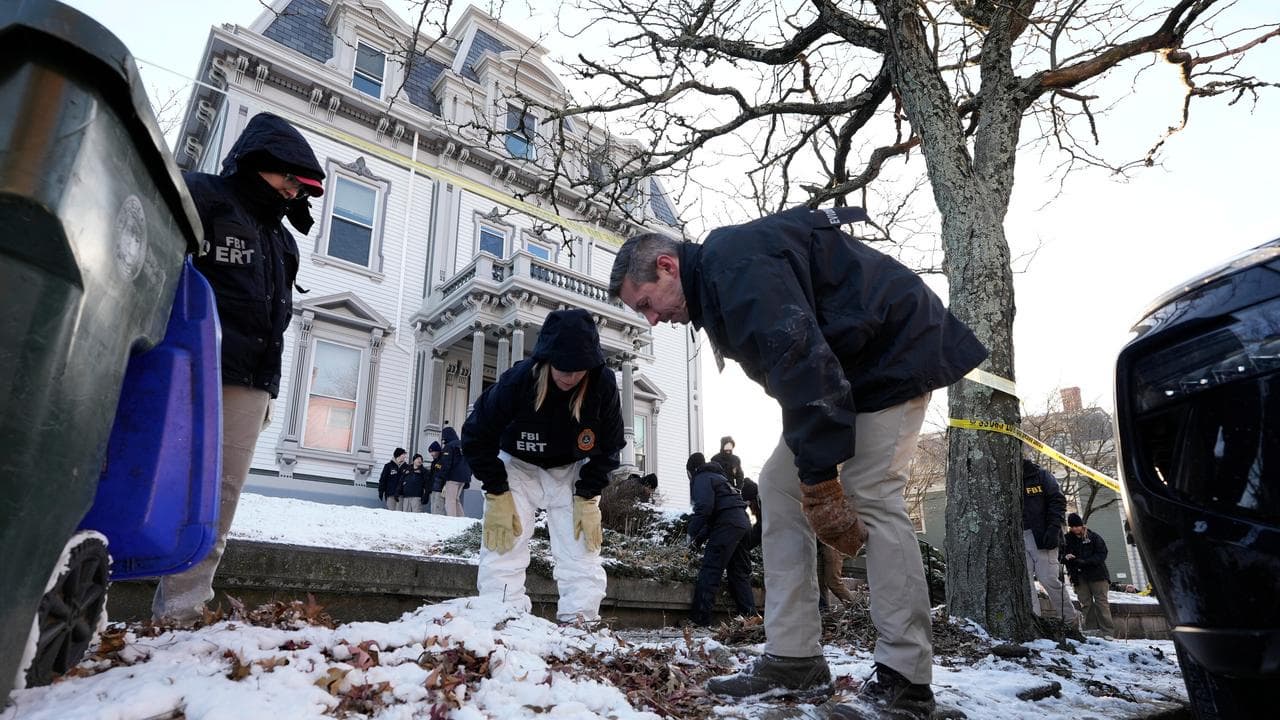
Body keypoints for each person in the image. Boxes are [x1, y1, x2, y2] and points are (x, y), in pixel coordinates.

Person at [609, 207, 987, 717]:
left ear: (667, 266)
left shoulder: (733, 268)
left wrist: (823, 480)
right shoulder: (719, 284)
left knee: (872, 494)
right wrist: (811, 477)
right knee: (777, 486)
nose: (652, 319)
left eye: (648, 304)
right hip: (840, 378)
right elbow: (799, 374)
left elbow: (801, 360)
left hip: (890, 357)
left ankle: (906, 683)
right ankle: (794, 657)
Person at [152, 112, 325, 623]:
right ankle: (84, 596)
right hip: (182, 369)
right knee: (143, 477)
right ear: (262, 164)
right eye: (291, 180)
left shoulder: (283, 241)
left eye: (303, 188)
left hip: (250, 383)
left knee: (219, 500)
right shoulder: (202, 196)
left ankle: (182, 608)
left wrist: (269, 391)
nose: (296, 194)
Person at [461, 308, 625, 623]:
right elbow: (475, 434)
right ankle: (502, 618)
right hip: (517, 468)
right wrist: (496, 491)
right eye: (562, 367)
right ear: (547, 359)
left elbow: (611, 446)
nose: (569, 376)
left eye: (578, 369)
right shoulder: (521, 379)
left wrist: (588, 494)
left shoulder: (602, 384)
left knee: (580, 549)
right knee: (504, 544)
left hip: (571, 472)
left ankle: (580, 622)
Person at [686, 453, 756, 627]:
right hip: (742, 523)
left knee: (711, 569)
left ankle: (700, 620)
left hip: (728, 525)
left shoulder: (701, 477)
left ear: (692, 470)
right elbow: (715, 516)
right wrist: (698, 541)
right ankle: (750, 617)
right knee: (739, 572)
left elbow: (704, 508)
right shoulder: (720, 479)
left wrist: (690, 534)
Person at [1022, 459, 1076, 624]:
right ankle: (1034, 621)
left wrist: (1054, 528)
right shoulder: (1004, 478)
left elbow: (1058, 501)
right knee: (1025, 582)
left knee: (1048, 579)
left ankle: (1070, 620)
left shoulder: (1041, 476)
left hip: (1042, 536)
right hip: (1018, 536)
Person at [1062, 513, 1115, 637]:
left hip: (1097, 575)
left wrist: (1085, 561)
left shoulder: (1093, 537)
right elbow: (1060, 555)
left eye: (1077, 526)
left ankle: (1107, 632)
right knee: (1086, 604)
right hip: (1078, 577)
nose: (1075, 529)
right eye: (1073, 527)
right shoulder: (1066, 539)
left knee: (1102, 603)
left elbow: (1102, 553)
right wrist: (1066, 557)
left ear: (1082, 525)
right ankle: (1091, 631)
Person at [439, 425, 469, 517]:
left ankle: (451, 521)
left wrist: (442, 478)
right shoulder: (464, 445)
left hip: (453, 477)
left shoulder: (449, 446)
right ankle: (461, 519)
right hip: (464, 477)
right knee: (455, 499)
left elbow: (446, 464)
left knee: (450, 500)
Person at [427, 441, 447, 514]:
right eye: (430, 452)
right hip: (433, 489)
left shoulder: (443, 459)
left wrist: (444, 486)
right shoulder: (434, 462)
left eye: (433, 452)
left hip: (440, 489)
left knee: (439, 509)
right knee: (433, 508)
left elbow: (444, 473)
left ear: (437, 450)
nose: (431, 454)